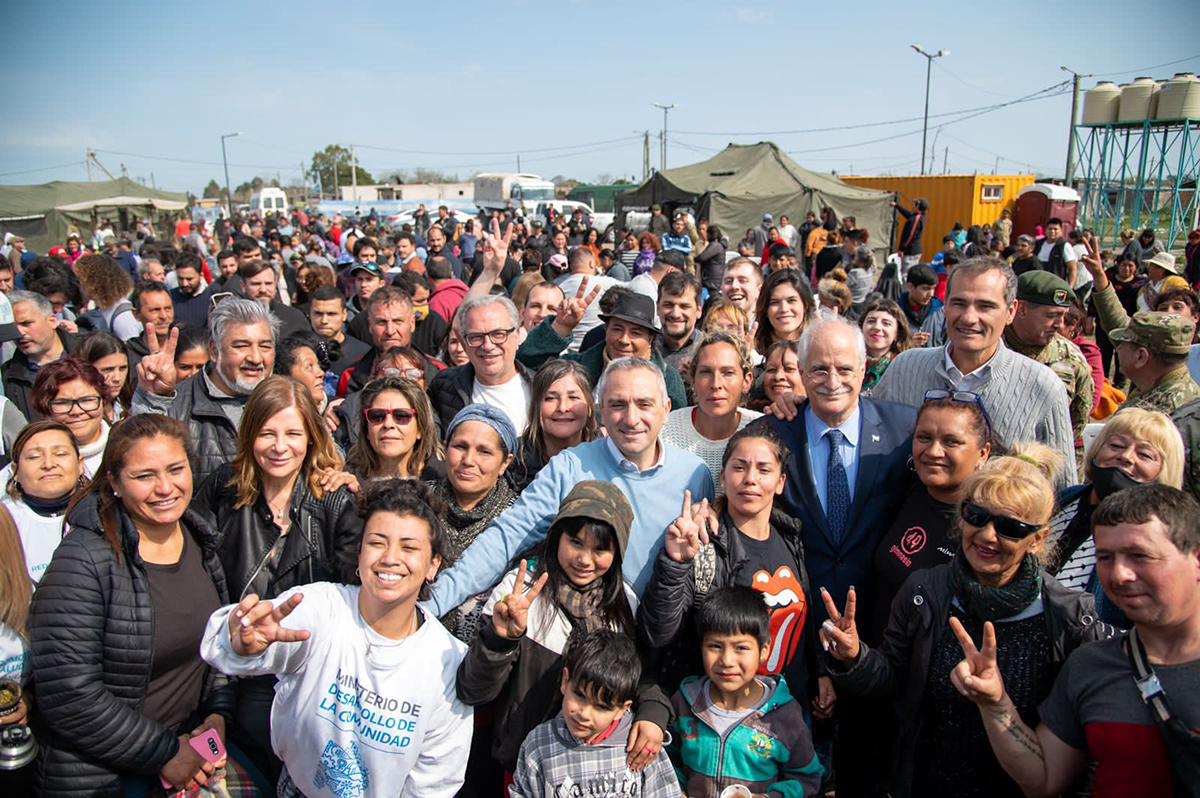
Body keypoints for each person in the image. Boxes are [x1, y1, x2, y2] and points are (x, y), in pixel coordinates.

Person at [821, 444, 1112, 798]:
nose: (988, 535)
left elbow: (1085, 746)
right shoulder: (926, 590)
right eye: (977, 516)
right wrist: (855, 656)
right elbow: (892, 680)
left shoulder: (1069, 618)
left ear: (1037, 539)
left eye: (1009, 527)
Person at [200, 479, 474, 797]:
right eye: (377, 542)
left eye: (409, 547)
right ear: (358, 553)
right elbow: (232, 644)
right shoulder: (322, 607)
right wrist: (239, 642)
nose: (390, 558)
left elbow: (436, 780)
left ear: (433, 564)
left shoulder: (447, 659)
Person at [29, 414, 239, 796]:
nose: (165, 487)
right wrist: (162, 754)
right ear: (114, 482)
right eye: (144, 476)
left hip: (185, 755)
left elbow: (216, 643)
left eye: (176, 469)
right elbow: (68, 692)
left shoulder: (199, 536)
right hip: (106, 775)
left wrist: (217, 713)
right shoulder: (84, 558)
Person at [956, 483, 1199, 797]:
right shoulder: (1091, 665)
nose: (1120, 574)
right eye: (1106, 557)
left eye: (1140, 556)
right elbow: (1043, 779)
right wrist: (995, 704)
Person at [428, 357, 713, 614]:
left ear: (665, 409)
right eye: (617, 404)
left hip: (665, 641)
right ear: (600, 409)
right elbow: (505, 539)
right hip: (590, 643)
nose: (631, 418)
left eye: (644, 404)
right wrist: (433, 604)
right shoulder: (570, 466)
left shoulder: (694, 474)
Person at [194, 375, 362, 779]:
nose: (280, 445)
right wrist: (217, 703)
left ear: (311, 436)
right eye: (267, 433)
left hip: (306, 679)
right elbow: (208, 592)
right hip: (232, 669)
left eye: (292, 432)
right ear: (249, 434)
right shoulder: (223, 489)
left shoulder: (337, 500)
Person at [457, 483, 669, 777]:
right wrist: (500, 640)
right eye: (576, 542)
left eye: (600, 549)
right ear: (557, 537)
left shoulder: (625, 606)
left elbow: (641, 676)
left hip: (600, 768)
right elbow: (473, 691)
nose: (584, 560)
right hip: (525, 765)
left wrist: (654, 712)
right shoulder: (519, 594)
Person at [643, 425, 828, 714]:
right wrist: (675, 563)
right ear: (723, 477)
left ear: (780, 482)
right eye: (739, 467)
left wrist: (821, 670)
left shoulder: (791, 536)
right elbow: (658, 633)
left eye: (764, 470)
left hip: (789, 712)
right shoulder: (702, 542)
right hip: (724, 718)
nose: (750, 479)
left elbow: (802, 624)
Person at [871, 257, 1078, 482]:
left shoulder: (1042, 386)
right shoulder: (905, 368)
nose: (969, 318)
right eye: (959, 303)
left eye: (985, 306)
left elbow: (1063, 488)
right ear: (945, 306)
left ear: (1011, 312)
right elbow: (872, 453)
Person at [667, 585, 824, 798]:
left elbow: (806, 778)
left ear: (764, 651)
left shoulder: (783, 716)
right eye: (715, 646)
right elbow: (668, 760)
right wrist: (676, 790)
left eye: (741, 648)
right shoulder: (684, 704)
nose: (727, 661)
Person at [868, 391, 993, 642]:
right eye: (924, 437)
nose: (934, 451)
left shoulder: (986, 529)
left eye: (951, 442)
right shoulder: (903, 488)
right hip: (873, 666)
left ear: (982, 453)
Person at [1047, 408, 1183, 621]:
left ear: (1162, 473)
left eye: (1145, 455)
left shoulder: (1151, 541)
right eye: (1116, 445)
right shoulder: (1065, 499)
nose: (1126, 457)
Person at [508, 631, 679, 798]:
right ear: (565, 681)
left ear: (622, 708)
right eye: (579, 695)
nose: (584, 714)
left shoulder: (639, 745)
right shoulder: (539, 744)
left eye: (602, 707)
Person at [133, 297, 280, 486]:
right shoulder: (177, 405)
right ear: (214, 350)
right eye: (241, 346)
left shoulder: (288, 400)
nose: (255, 357)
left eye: (265, 346)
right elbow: (141, 460)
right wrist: (153, 398)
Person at [519, 287, 688, 409]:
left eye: (635, 333)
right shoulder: (579, 367)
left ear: (650, 339)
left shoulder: (667, 380)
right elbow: (529, 361)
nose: (624, 340)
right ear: (605, 330)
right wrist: (560, 327)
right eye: (617, 329)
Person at [433, 404, 519, 638]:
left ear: (505, 463)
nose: (468, 460)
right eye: (460, 446)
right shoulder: (417, 502)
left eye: (484, 452)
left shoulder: (518, 519)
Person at [1002, 271, 1095, 454]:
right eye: (1052, 315)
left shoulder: (1071, 359)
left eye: (1063, 316)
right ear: (1021, 309)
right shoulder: (989, 349)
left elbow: (1078, 419)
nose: (1059, 324)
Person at [661, 332, 763, 488]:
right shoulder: (666, 430)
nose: (716, 384)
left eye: (728, 373)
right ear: (693, 380)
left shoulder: (762, 430)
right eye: (706, 372)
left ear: (746, 381)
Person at [428, 295, 534, 433]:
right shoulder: (444, 386)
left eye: (498, 334)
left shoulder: (540, 389)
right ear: (465, 342)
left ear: (517, 335)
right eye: (476, 337)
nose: (487, 346)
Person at [1, 420, 84, 585]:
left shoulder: (106, 512)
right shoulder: (6, 520)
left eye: (60, 454)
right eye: (34, 456)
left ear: (80, 464)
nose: (48, 464)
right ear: (15, 471)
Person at [509, 360, 598, 492]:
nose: (562, 408)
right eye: (550, 398)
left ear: (590, 406)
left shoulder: (611, 455)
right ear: (536, 406)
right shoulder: (512, 462)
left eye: (573, 397)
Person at [344, 376, 443, 483]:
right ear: (366, 429)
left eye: (401, 416)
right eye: (377, 416)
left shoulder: (445, 481)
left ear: (421, 428)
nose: (388, 424)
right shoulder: (347, 482)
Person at [31, 355, 111, 477]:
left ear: (103, 401)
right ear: (45, 408)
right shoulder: (30, 456)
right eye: (63, 403)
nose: (76, 411)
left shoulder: (126, 446)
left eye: (86, 400)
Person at [5, 290, 77, 420]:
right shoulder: (7, 377)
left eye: (26, 323)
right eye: (14, 327)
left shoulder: (89, 354)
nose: (20, 333)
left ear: (52, 321)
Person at [73, 253, 140, 340]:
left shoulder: (122, 316)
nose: (80, 285)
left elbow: (132, 351)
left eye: (81, 280)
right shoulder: (100, 308)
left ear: (94, 282)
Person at [752, 269, 816, 358]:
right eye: (774, 302)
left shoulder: (818, 348)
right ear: (765, 309)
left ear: (805, 305)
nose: (784, 309)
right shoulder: (752, 351)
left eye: (791, 301)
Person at [307, 285, 370, 375]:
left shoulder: (363, 354)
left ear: (344, 314)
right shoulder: (297, 351)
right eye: (318, 313)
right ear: (310, 313)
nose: (324, 321)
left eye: (331, 314)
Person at [75, 331, 133, 421]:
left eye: (122, 368)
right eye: (107, 370)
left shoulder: (130, 403)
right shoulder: (77, 415)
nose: (117, 378)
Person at [654, 271, 704, 374]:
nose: (675, 314)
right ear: (657, 308)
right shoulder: (645, 350)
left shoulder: (709, 350)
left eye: (684, 306)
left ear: (699, 310)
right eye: (668, 305)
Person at [860, 297, 912, 391]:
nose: (877, 327)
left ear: (898, 333)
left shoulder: (904, 368)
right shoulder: (848, 362)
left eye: (886, 323)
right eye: (871, 321)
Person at [899, 263, 944, 348]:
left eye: (933, 288)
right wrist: (907, 343)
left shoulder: (940, 311)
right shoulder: (896, 312)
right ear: (910, 286)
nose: (931, 294)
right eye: (926, 288)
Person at [761, 339, 803, 409]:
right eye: (771, 370)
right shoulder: (752, 417)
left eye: (789, 369)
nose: (778, 376)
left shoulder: (823, 416)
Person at [1036, 218, 1078, 287]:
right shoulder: (1039, 244)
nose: (1052, 231)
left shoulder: (1064, 246)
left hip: (1057, 286)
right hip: (1039, 285)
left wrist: (1070, 288)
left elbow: (1073, 269)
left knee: (1059, 298)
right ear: (1046, 230)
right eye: (1050, 229)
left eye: (1055, 229)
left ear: (1061, 231)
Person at [893, 197, 928, 276]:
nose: (912, 206)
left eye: (914, 204)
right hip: (914, 251)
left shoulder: (916, 219)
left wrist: (902, 249)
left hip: (910, 252)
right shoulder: (919, 216)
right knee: (911, 274)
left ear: (918, 207)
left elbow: (910, 236)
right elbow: (909, 215)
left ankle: (906, 288)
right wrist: (897, 206)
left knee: (906, 275)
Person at [695, 223, 727, 299]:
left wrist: (695, 258)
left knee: (712, 298)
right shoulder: (717, 245)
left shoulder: (715, 246)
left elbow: (702, 257)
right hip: (714, 277)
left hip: (713, 278)